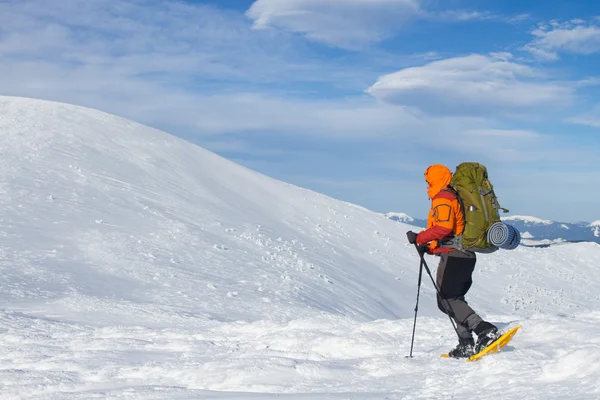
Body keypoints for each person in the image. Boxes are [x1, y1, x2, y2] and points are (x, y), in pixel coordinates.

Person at [406, 164, 500, 358]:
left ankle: (484, 330)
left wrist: (420, 238)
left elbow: (443, 227)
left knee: (447, 300)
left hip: (455, 256)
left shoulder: (443, 197)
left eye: (428, 182)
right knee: (453, 300)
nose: (426, 187)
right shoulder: (452, 196)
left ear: (436, 180)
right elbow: (452, 231)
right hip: (462, 255)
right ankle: (465, 343)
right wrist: (432, 248)